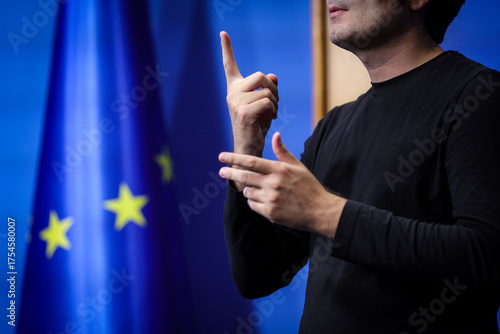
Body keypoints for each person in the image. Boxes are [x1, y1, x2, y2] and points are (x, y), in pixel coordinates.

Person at [218, 0, 500, 332]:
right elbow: (259, 276)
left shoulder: (481, 96)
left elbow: (486, 255)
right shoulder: (333, 126)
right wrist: (248, 147)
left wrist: (328, 214)